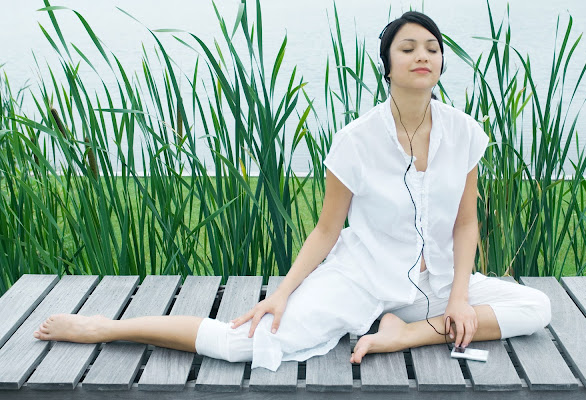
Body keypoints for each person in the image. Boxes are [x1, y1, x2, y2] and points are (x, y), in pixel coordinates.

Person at [33, 11, 551, 372]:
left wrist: (459, 295)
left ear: (441, 64)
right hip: (363, 277)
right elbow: (328, 229)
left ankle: (404, 334)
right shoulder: (355, 141)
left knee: (537, 309)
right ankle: (107, 327)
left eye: (433, 49)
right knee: (243, 344)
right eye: (408, 48)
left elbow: (465, 223)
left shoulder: (464, 133)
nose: (423, 56)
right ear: (387, 65)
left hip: (436, 283)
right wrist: (281, 294)